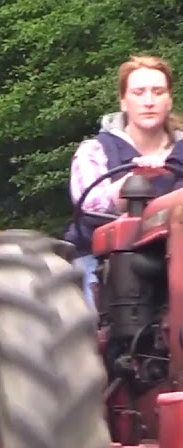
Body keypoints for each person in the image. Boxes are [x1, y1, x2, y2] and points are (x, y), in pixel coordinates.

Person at [67, 55, 183, 306]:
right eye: (139, 92)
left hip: (174, 253)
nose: (149, 101)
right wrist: (132, 181)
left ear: (169, 100)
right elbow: (90, 203)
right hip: (100, 256)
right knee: (84, 320)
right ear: (123, 101)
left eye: (158, 92)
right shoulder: (95, 150)